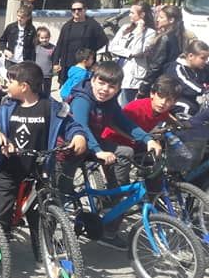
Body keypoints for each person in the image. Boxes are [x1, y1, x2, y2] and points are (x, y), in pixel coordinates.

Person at [0, 62, 88, 260]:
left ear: (24, 86)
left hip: (39, 169)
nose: (7, 84)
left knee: (43, 215)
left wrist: (78, 136)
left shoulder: (50, 106)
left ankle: (43, 249)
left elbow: (71, 124)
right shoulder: (7, 106)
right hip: (8, 169)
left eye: (10, 81)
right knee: (0, 216)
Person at [63, 61, 162, 249]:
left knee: (126, 151)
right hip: (73, 145)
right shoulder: (82, 99)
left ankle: (114, 191)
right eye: (101, 83)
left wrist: (147, 139)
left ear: (118, 89)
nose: (105, 89)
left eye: (111, 86)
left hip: (95, 144)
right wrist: (98, 151)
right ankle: (54, 227)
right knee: (62, 191)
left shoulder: (109, 102)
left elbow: (126, 123)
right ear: (92, 80)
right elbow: (81, 128)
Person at [100, 75, 181, 149]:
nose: (163, 102)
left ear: (174, 102)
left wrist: (180, 124)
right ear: (152, 94)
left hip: (137, 143)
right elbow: (114, 124)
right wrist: (133, 138)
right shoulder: (136, 108)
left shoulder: (161, 110)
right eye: (161, 96)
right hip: (113, 141)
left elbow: (167, 117)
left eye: (169, 100)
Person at [101, 2, 155, 104]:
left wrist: (139, 32)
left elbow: (138, 51)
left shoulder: (150, 33)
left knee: (125, 103)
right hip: (119, 68)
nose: (129, 15)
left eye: (132, 13)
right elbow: (112, 47)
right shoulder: (125, 27)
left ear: (142, 15)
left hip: (133, 73)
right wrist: (129, 53)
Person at [51, 0, 108, 84]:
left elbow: (103, 40)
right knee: (67, 91)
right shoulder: (67, 26)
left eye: (79, 9)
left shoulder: (92, 25)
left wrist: (90, 52)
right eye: (73, 10)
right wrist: (55, 62)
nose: (76, 12)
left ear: (85, 10)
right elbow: (60, 45)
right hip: (68, 64)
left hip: (85, 64)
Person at [138, 4, 186, 98]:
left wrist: (144, 86)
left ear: (171, 20)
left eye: (161, 17)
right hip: (170, 80)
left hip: (159, 81)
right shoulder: (180, 36)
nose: (157, 19)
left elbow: (156, 65)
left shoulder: (165, 38)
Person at [169, 40, 209, 117]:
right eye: (203, 58)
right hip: (173, 99)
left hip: (192, 99)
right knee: (189, 107)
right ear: (191, 56)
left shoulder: (201, 68)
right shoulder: (176, 68)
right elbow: (186, 83)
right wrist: (204, 91)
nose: (205, 61)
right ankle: (182, 127)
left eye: (207, 59)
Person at [34, 27, 55, 95]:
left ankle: (46, 104)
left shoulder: (53, 48)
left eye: (46, 37)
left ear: (49, 37)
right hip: (37, 74)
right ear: (38, 38)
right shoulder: (36, 47)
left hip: (48, 75)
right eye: (42, 38)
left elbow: (55, 60)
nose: (44, 39)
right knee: (37, 92)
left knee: (46, 93)